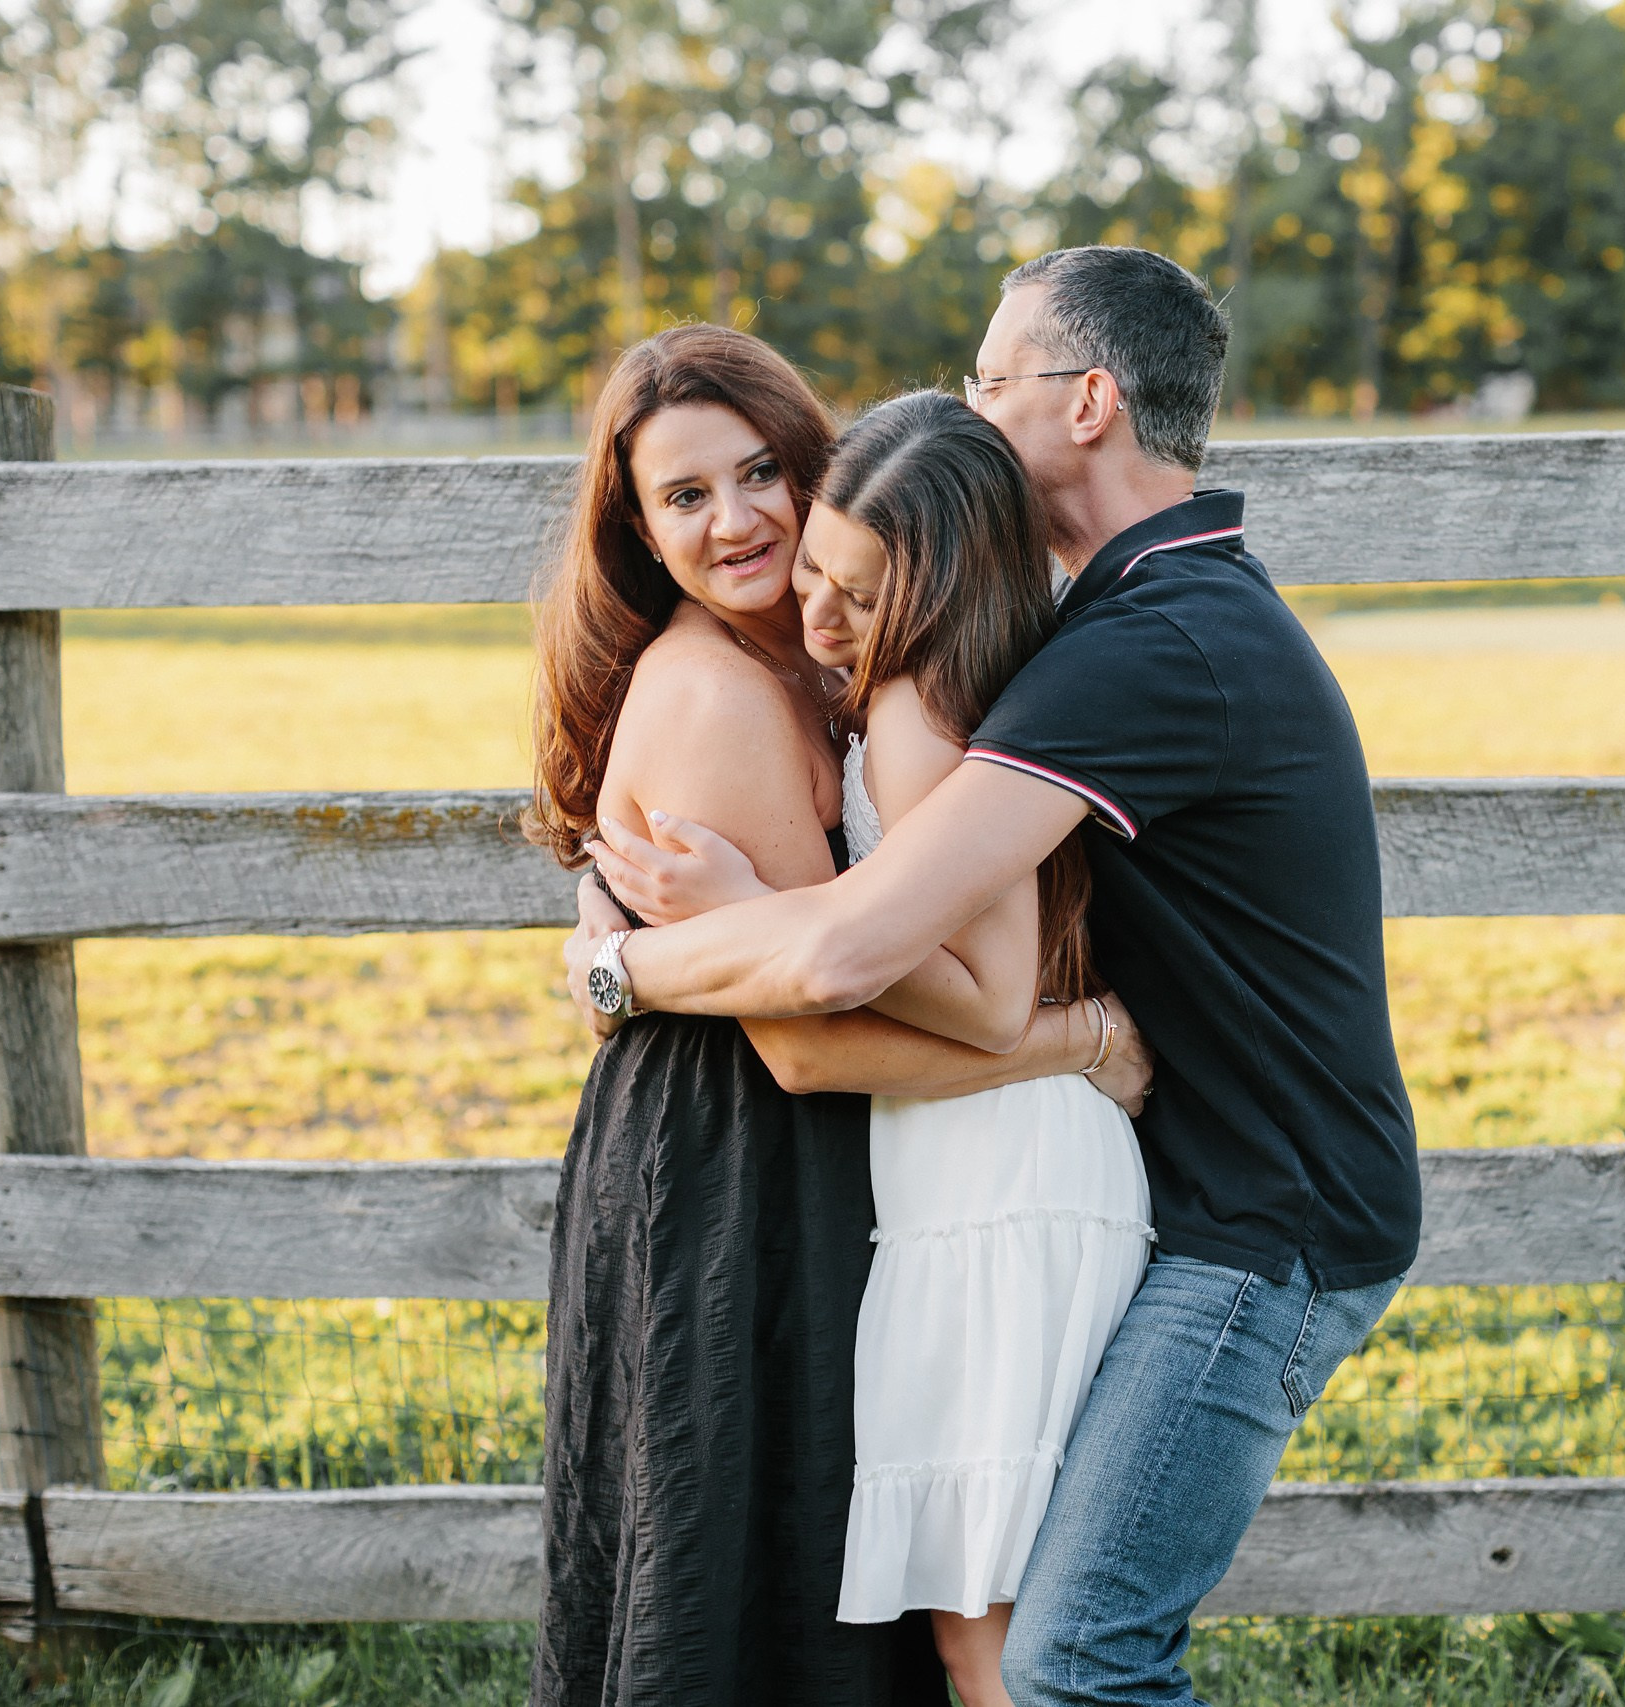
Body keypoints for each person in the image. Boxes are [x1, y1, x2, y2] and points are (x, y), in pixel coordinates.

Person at [574, 248, 1423, 1705]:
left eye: (990, 377)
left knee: (1075, 1655)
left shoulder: (1154, 644)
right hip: (1205, 1192)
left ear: (1088, 403)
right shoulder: (1100, 615)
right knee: (1018, 1634)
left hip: (1266, 1229)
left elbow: (857, 949)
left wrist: (629, 967)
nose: (966, 404)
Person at [522, 324, 1148, 1707]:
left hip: (843, 1153)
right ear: (634, 526)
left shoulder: (832, 651)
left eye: (761, 475)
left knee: (861, 1583)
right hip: (734, 1166)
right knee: (743, 1574)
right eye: (684, 497)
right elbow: (809, 1036)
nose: (736, 521)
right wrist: (1084, 1041)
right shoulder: (716, 696)